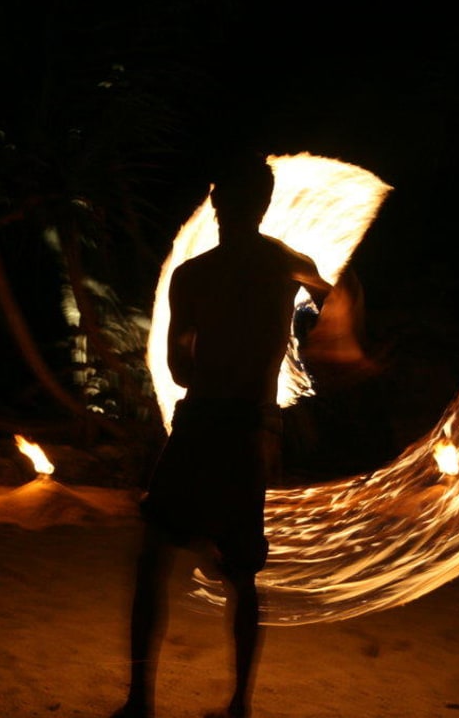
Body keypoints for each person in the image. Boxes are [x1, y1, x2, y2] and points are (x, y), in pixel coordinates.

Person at [112, 152, 331, 718]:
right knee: (241, 573)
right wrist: (315, 340)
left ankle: (140, 701)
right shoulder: (290, 266)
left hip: (202, 418)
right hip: (253, 426)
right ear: (264, 204)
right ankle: (238, 706)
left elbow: (180, 372)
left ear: (215, 203)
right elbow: (331, 292)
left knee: (155, 556)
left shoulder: (192, 276)